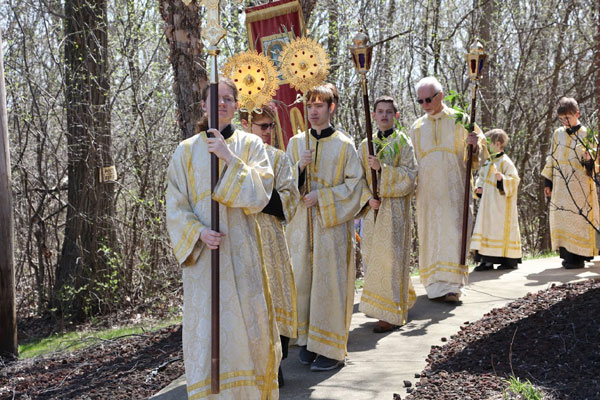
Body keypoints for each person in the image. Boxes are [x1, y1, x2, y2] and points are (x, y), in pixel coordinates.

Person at [166, 78, 280, 399]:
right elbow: (175, 206)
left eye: (229, 99)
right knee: (208, 334)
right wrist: (199, 232)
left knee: (248, 332)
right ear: (203, 106)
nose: (222, 104)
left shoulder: (252, 146)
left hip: (243, 256)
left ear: (237, 105)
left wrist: (230, 158)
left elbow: (261, 196)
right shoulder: (185, 152)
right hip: (205, 262)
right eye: (215, 99)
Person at [285, 85, 363, 371]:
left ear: (331, 108)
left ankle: (330, 349)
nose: (314, 111)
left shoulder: (344, 144)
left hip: (331, 229)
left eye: (320, 105)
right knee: (303, 281)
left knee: (329, 283)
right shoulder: (296, 143)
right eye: (310, 106)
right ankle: (307, 340)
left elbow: (355, 186)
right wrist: (299, 169)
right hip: (301, 229)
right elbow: (282, 186)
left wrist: (323, 197)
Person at [408, 76, 486, 303]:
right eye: (420, 101)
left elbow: (479, 157)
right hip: (428, 196)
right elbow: (412, 164)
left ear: (440, 96)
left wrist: (475, 144)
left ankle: (453, 287)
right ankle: (433, 285)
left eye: (428, 99)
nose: (424, 105)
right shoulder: (417, 127)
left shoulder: (461, 119)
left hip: (455, 192)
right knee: (431, 236)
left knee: (454, 236)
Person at [240, 105, 300, 387]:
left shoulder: (279, 159)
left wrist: (256, 195)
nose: (268, 132)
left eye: (271, 126)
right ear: (245, 125)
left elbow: (289, 201)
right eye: (263, 126)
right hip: (242, 240)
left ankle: (276, 365)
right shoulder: (233, 159)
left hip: (273, 241)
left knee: (276, 298)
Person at [358, 95, 418, 332]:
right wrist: (367, 198)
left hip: (394, 212)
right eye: (380, 111)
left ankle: (391, 314)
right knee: (373, 257)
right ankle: (393, 301)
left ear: (396, 116)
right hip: (373, 210)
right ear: (373, 115)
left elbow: (410, 175)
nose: (384, 115)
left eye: (388, 112)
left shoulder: (403, 142)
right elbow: (358, 179)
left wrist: (383, 169)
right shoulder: (365, 145)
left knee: (391, 260)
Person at [541, 97, 599, 269]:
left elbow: (594, 163)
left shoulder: (586, 134)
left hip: (579, 185)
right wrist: (548, 182)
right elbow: (552, 157)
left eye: (568, 118)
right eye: (562, 119)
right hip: (560, 184)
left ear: (577, 114)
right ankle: (567, 255)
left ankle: (579, 257)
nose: (565, 122)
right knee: (562, 217)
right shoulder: (557, 133)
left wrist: (589, 160)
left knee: (577, 219)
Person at [471, 129, 522, 270]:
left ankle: (508, 260)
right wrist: (478, 189)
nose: (486, 147)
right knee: (486, 229)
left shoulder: (506, 162)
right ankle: (486, 260)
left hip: (502, 206)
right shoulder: (488, 162)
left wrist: (502, 180)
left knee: (498, 230)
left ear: (498, 144)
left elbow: (514, 180)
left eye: (488, 144)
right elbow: (481, 178)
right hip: (487, 206)